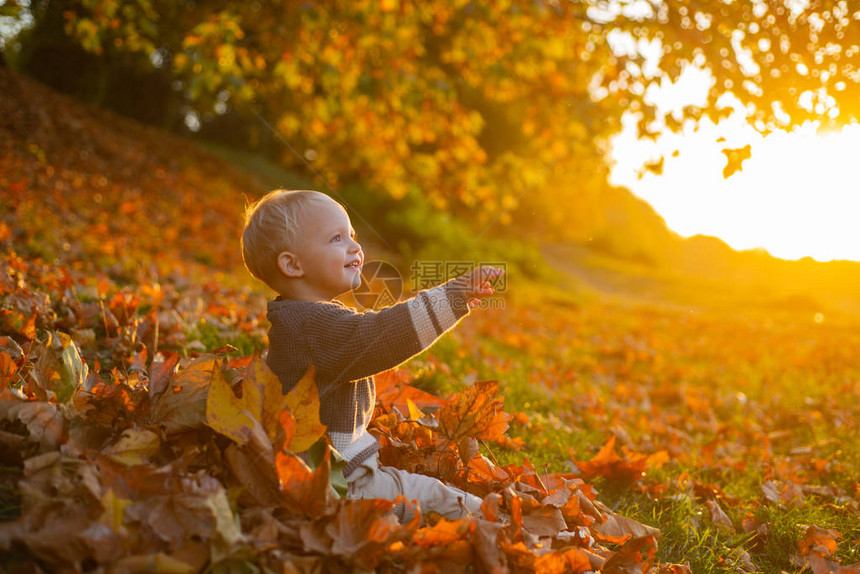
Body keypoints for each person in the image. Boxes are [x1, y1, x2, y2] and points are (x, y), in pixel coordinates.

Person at [240, 188, 504, 522]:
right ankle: (509, 533)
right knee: (440, 499)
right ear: (292, 265)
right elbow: (381, 336)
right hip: (339, 485)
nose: (355, 246)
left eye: (352, 234)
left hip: (326, 475)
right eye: (337, 238)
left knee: (427, 493)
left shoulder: (296, 320)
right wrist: (453, 296)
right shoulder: (312, 326)